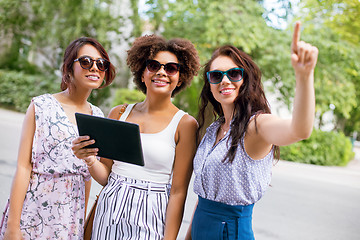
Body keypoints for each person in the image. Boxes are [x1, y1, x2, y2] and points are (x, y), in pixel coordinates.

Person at [185, 21, 318, 240]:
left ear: (246, 79)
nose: (225, 80)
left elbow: (299, 130)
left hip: (229, 233)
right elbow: (203, 199)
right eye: (216, 76)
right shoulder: (213, 129)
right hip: (200, 228)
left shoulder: (255, 126)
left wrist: (304, 77)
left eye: (234, 73)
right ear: (209, 84)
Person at [71, 34, 200, 239]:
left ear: (180, 78)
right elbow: (106, 177)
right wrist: (88, 159)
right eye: (153, 65)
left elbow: (178, 192)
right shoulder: (119, 113)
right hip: (109, 210)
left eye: (171, 68)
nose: (161, 72)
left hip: (152, 215)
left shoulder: (185, 124)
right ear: (142, 73)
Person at [0, 37, 116, 239]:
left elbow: (86, 178)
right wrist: (13, 226)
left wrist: (79, 228)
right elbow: (23, 167)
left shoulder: (97, 116)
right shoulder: (42, 106)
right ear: (69, 67)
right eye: (86, 61)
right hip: (33, 212)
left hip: (69, 221)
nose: (95, 68)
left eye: (101, 64)